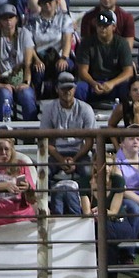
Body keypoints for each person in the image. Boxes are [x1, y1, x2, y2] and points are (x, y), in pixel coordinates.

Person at [39, 72, 96, 215]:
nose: (67, 91)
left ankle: (87, 208)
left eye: (70, 88)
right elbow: (45, 141)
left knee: (88, 172)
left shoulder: (85, 108)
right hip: (56, 153)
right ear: (57, 89)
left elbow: (89, 141)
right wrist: (61, 159)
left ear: (75, 89)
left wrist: (74, 160)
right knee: (42, 173)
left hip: (80, 152)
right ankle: (45, 208)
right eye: (63, 88)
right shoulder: (49, 109)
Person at [75, 9, 134, 107]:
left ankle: (125, 113)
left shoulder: (122, 43)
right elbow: (82, 71)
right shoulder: (86, 43)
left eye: (106, 26)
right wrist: (93, 84)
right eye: (99, 25)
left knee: (129, 87)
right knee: (78, 88)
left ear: (114, 27)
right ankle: (81, 112)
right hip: (93, 82)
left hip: (115, 83)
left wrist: (112, 83)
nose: (102, 28)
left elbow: (128, 71)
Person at [0, 5, 37, 121]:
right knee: (5, 96)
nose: (8, 21)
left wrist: (26, 82)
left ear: (16, 19)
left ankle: (30, 135)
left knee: (27, 95)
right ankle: (4, 133)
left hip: (20, 78)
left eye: (11, 17)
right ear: (0, 20)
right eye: (5, 18)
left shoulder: (24, 33)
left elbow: (28, 63)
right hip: (2, 79)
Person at [0, 137, 38, 226]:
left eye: (6, 149)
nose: (3, 153)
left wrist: (28, 188)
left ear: (11, 151)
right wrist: (5, 186)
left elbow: (33, 199)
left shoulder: (21, 165)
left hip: (22, 217)